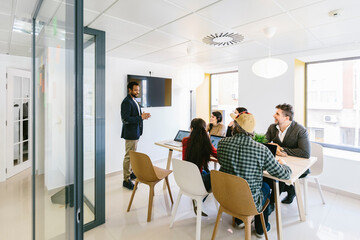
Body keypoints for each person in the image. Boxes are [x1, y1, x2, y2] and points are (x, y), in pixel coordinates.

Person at [217, 111, 292, 237]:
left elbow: (223, 162)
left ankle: (240, 220)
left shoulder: (222, 143)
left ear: (235, 126)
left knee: (239, 180)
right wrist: (284, 164)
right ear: (252, 130)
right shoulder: (261, 149)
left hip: (225, 197)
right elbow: (284, 174)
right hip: (249, 203)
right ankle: (260, 228)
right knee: (266, 187)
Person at [264, 103, 310, 204]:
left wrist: (281, 149)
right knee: (266, 176)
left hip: (297, 166)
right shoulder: (272, 128)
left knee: (279, 178)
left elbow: (305, 153)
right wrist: (272, 146)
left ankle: (271, 205)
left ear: (286, 118)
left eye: (277, 114)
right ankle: (290, 189)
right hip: (280, 162)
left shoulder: (300, 130)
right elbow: (264, 143)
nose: (274, 116)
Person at [182, 118, 217, 216]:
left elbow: (185, 159)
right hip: (197, 180)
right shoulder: (206, 142)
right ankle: (199, 199)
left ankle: (197, 199)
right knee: (214, 174)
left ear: (191, 128)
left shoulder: (185, 141)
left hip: (184, 177)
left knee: (205, 173)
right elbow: (216, 154)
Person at [121, 82, 151, 190]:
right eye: (135, 90)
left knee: (132, 155)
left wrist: (143, 116)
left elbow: (136, 116)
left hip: (136, 132)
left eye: (138, 90)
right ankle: (126, 180)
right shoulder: (126, 102)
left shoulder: (135, 101)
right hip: (130, 134)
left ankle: (131, 173)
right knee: (128, 157)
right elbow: (125, 119)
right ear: (129, 90)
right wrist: (140, 118)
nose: (137, 92)